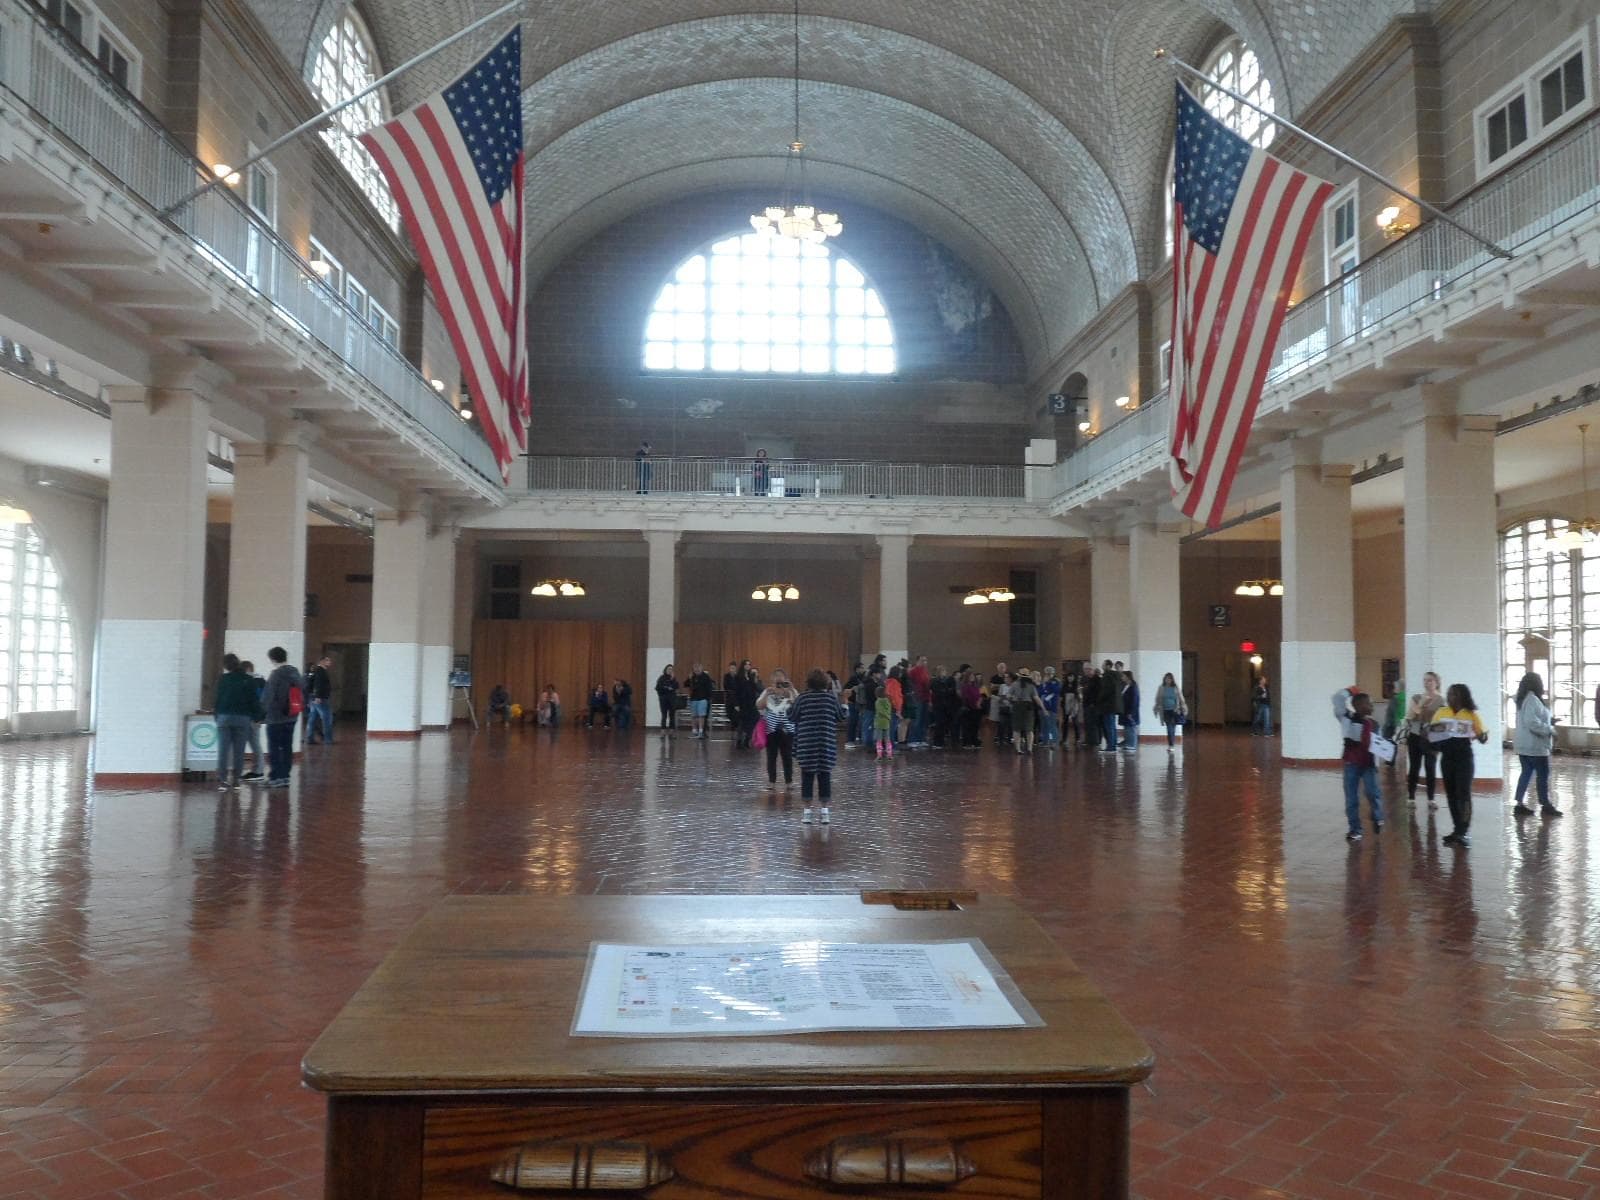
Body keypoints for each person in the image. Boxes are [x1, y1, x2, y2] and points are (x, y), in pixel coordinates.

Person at [1429, 683, 1489, 847]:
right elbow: (1432, 734)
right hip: (1447, 758)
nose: (1450, 697)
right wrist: (1433, 732)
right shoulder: (1442, 712)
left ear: (1462, 697)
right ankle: (1456, 829)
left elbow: (1483, 737)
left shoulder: (1470, 714)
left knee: (1463, 794)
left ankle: (1464, 831)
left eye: (1454, 694)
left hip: (1464, 758)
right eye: (1449, 694)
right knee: (1451, 794)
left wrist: (1476, 733)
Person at [792, 669, 842, 824]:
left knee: (807, 775)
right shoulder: (830, 699)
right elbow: (840, 716)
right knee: (824, 775)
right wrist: (845, 705)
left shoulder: (802, 698)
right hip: (825, 743)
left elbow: (792, 715)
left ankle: (807, 812)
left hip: (807, 744)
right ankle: (825, 811)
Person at [1333, 687, 1384, 841]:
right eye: (1369, 704)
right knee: (1351, 798)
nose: (1372, 706)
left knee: (1373, 793)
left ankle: (1377, 816)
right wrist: (1350, 691)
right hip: (1352, 763)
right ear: (1359, 705)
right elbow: (1337, 699)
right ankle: (1355, 829)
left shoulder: (1374, 724)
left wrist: (1386, 754)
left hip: (1369, 764)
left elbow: (1379, 745)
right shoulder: (1346, 718)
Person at [1511, 672, 1561, 818]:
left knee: (1526, 774)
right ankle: (1545, 804)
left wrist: (1549, 721)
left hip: (1524, 746)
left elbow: (1533, 719)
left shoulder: (1523, 699)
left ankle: (1519, 804)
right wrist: (1550, 729)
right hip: (1535, 746)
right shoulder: (1532, 699)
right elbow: (1532, 722)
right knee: (1543, 775)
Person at [213, 653, 259, 790]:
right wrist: (257, 717)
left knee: (223, 750)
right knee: (239, 751)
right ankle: (236, 780)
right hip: (242, 719)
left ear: (226, 666)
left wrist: (217, 715)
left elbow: (218, 698)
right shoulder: (248, 679)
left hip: (224, 718)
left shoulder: (223, 679)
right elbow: (253, 700)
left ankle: (222, 780)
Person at [262, 646, 302, 789]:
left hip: (275, 717)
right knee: (287, 746)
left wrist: (262, 714)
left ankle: (275, 777)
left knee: (273, 747)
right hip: (291, 715)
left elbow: (269, 697)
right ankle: (285, 776)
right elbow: (302, 691)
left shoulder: (276, 675)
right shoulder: (295, 673)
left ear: (273, 659)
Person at [1404, 672, 1444, 809]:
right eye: (1425, 680)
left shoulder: (1441, 701)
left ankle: (1431, 799)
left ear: (1437, 682)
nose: (1427, 683)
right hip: (1415, 735)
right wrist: (1421, 703)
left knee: (1430, 767)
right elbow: (1409, 716)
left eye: (1430, 680)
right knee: (1414, 767)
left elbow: (1442, 721)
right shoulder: (1416, 698)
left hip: (1432, 737)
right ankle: (1411, 798)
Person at [756, 669, 797, 786]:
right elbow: (759, 706)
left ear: (785, 680)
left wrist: (791, 691)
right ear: (772, 681)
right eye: (776, 681)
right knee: (771, 757)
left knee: (787, 757)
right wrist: (767, 695)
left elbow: (798, 705)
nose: (779, 684)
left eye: (781, 680)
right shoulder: (767, 692)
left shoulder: (791, 691)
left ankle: (789, 781)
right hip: (771, 730)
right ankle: (771, 782)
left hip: (788, 730)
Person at [240, 660, 266, 781]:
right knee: (255, 744)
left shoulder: (249, 681)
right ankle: (258, 770)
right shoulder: (261, 680)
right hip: (256, 717)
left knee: (250, 744)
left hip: (249, 717)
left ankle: (257, 771)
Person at [1153, 671, 1186, 749]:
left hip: (1174, 710)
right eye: (1166, 679)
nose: (1167, 680)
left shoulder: (1175, 687)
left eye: (1169, 679)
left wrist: (1183, 707)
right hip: (1165, 710)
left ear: (1172, 680)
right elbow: (1158, 698)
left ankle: (1171, 745)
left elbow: (1181, 698)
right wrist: (1156, 708)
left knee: (1172, 728)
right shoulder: (1161, 688)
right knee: (1169, 728)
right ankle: (1171, 744)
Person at [1012, 669, 1041, 754]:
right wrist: (1043, 707)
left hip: (1018, 706)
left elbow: (1009, 695)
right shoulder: (1031, 685)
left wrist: (1013, 701)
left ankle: (1018, 749)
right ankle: (1029, 749)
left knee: (1017, 729)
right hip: (1029, 707)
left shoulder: (1015, 684)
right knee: (1029, 729)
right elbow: (1036, 698)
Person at [306, 656, 334, 744]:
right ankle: (328, 739)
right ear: (322, 661)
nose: (330, 662)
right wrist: (317, 696)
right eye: (328, 660)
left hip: (313, 698)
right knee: (327, 718)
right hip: (320, 698)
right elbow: (318, 684)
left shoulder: (315, 671)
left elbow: (310, 684)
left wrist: (311, 696)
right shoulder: (320, 671)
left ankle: (309, 738)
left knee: (312, 718)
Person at [907, 655, 932, 747]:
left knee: (924, 720)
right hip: (917, 698)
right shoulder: (913, 671)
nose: (925, 662)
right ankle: (913, 740)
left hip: (925, 698)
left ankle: (922, 739)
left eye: (926, 660)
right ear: (917, 661)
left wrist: (930, 699)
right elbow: (909, 684)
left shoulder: (925, 671)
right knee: (916, 720)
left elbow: (928, 684)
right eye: (922, 660)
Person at [1100, 660, 1122, 751]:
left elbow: (1106, 691)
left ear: (1108, 666)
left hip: (1107, 705)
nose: (1102, 666)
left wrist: (1099, 698)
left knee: (1109, 726)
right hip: (1113, 705)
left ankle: (1111, 747)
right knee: (1112, 725)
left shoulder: (1107, 676)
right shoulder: (1115, 676)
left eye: (1103, 664)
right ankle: (1113, 744)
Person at [687, 663, 714, 738]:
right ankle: (694, 730)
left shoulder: (705, 677)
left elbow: (710, 687)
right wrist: (689, 678)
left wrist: (709, 698)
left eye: (698, 667)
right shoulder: (692, 676)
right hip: (693, 699)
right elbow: (686, 684)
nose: (697, 669)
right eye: (695, 668)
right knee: (694, 715)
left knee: (701, 715)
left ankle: (701, 731)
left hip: (703, 699)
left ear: (701, 668)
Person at [1037, 666, 1061, 747]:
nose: (1048, 674)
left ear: (1053, 673)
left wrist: (1049, 683)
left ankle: (1054, 742)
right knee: (1044, 725)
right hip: (1042, 707)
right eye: (1047, 673)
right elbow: (1039, 692)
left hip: (1051, 708)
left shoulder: (1056, 682)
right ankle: (1045, 741)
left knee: (1052, 725)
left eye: (1050, 673)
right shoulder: (1043, 682)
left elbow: (1056, 691)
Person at [723, 661, 743, 744]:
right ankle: (733, 724)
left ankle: (735, 727)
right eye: (731, 668)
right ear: (729, 668)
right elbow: (725, 686)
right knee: (729, 713)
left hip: (736, 697)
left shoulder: (738, 677)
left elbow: (739, 686)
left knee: (736, 713)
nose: (732, 670)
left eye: (734, 668)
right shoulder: (726, 676)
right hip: (729, 697)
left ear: (736, 669)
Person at [1120, 670, 1141, 750]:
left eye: (1123, 676)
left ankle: (1132, 745)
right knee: (1127, 728)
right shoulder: (1126, 685)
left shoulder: (1133, 686)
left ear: (1128, 677)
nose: (1122, 677)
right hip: (1126, 710)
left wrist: (1131, 712)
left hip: (1131, 711)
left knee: (1131, 727)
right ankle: (1128, 743)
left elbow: (1134, 700)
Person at [654, 665, 678, 729]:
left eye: (671, 669)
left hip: (672, 699)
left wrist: (672, 680)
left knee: (672, 716)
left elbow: (676, 686)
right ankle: (663, 732)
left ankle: (671, 732)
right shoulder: (661, 678)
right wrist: (667, 688)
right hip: (663, 699)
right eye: (669, 669)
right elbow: (658, 687)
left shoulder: (674, 678)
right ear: (665, 670)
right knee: (664, 715)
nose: (670, 670)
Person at [1062, 671, 1083, 746]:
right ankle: (1064, 739)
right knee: (1065, 723)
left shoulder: (1077, 686)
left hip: (1074, 705)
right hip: (1065, 706)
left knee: (1075, 722)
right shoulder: (1064, 685)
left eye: (1071, 676)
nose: (1070, 678)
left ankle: (1078, 738)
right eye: (1069, 676)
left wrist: (1075, 705)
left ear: (1074, 677)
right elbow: (1062, 695)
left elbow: (1079, 697)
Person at [873, 688, 894, 758]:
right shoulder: (888, 701)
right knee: (887, 739)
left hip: (879, 723)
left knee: (879, 740)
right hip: (886, 722)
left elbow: (880, 711)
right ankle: (889, 754)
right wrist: (889, 717)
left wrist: (886, 716)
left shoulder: (878, 702)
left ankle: (879, 755)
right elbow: (889, 710)